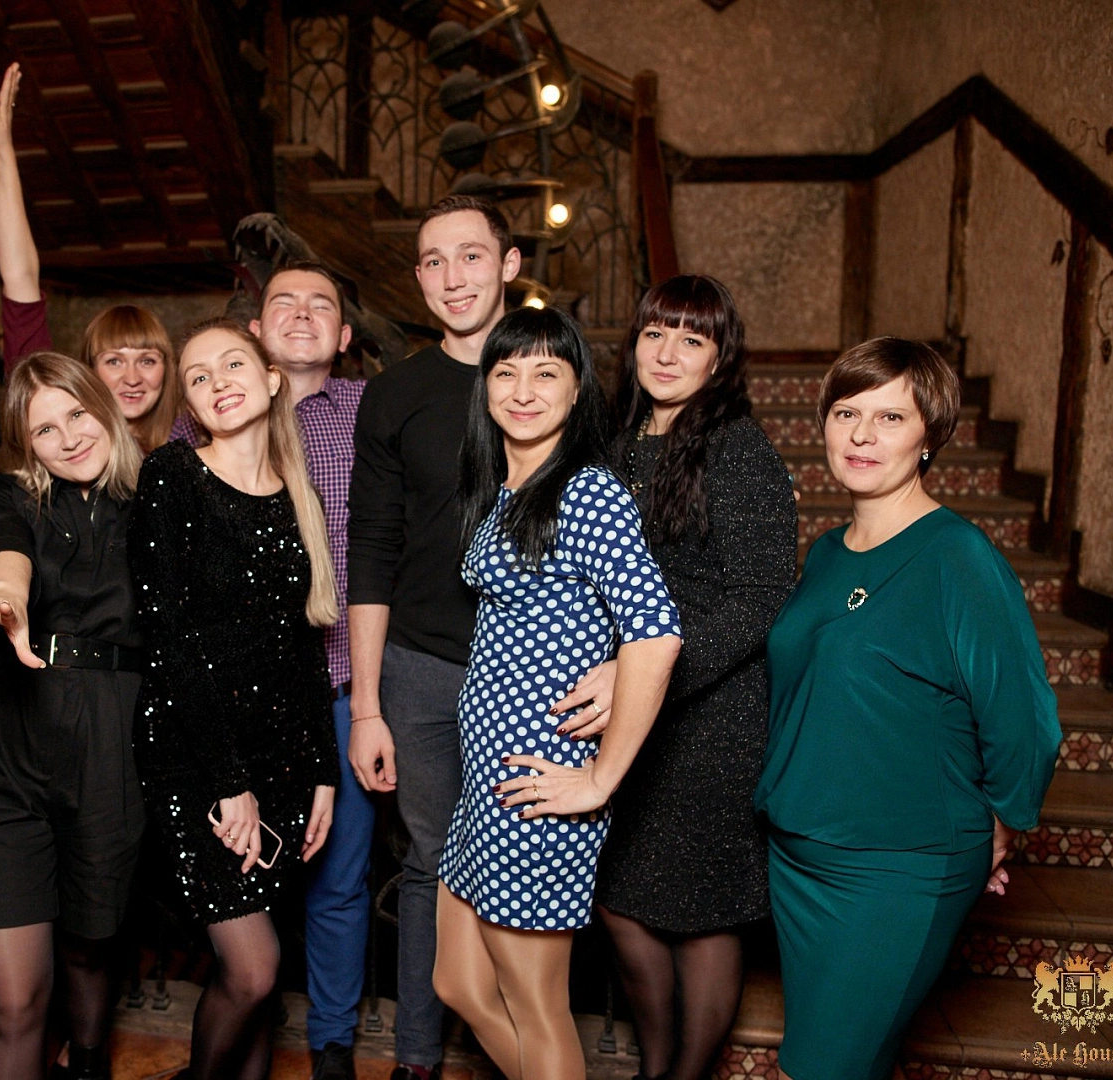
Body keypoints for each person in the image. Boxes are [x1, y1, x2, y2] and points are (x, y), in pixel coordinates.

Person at [756, 338, 1062, 1080]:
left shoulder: (958, 557)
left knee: (818, 1068)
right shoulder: (826, 553)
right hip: (798, 856)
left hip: (897, 867)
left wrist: (999, 825)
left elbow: (1025, 718)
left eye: (890, 417)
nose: (861, 435)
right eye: (846, 413)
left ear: (930, 435)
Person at [435, 306, 683, 1080]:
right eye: (505, 372)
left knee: (535, 1005)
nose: (522, 390)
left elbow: (656, 631)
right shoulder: (507, 486)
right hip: (486, 780)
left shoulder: (586, 492)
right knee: (458, 983)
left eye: (546, 373)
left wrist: (600, 778)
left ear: (577, 391)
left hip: (538, 784)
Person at [591, 276, 798, 1080]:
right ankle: (660, 1066)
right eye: (655, 333)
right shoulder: (620, 440)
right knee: (620, 902)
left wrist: (644, 678)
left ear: (719, 357)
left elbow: (759, 599)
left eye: (691, 338)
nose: (668, 353)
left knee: (705, 916)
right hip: (627, 704)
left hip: (709, 713)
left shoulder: (738, 449)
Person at [0, 353, 145, 1080]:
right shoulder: (7, 493)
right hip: (1, 752)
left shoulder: (160, 494)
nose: (69, 437)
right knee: (16, 998)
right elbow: (4, 551)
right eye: (45, 430)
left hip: (110, 747)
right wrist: (9, 600)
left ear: (104, 407)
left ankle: (88, 1062)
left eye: (77, 414)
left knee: (89, 946)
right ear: (26, 444)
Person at [130, 320, 340, 1079]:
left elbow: (304, 648)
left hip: (280, 758)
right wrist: (229, 783)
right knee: (252, 969)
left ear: (272, 379)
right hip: (196, 757)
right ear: (188, 403)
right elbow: (169, 642)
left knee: (259, 983)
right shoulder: (172, 475)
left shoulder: (297, 493)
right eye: (198, 376)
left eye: (232, 365)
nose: (218, 382)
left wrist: (323, 773)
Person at [346, 193, 521, 1080]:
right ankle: (417, 1058)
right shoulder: (396, 394)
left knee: (521, 866)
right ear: (416, 276)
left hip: (529, 671)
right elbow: (370, 554)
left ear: (509, 265)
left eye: (471, 255)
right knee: (430, 866)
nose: (452, 277)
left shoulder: (552, 375)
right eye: (432, 260)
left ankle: (524, 1050)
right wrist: (366, 707)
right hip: (418, 670)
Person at [245, 262, 374, 1080]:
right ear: (255, 328)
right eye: (281, 303)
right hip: (247, 695)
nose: (300, 314)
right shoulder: (208, 411)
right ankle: (246, 1028)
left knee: (340, 878)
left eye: (319, 304)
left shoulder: (372, 412)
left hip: (344, 685)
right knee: (246, 870)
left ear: (344, 335)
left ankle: (331, 1044)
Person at [0, 63, 180, 449]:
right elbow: (21, 279)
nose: (132, 378)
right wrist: (3, 153)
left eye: (147, 360)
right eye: (113, 361)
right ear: (89, 372)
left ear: (168, 370)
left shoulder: (194, 444)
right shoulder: (69, 441)